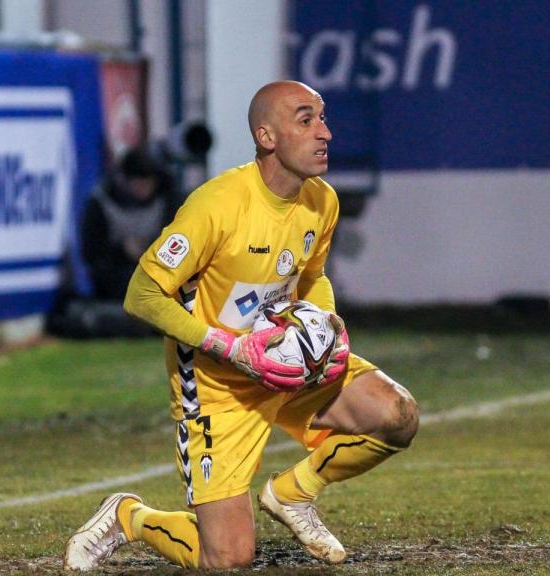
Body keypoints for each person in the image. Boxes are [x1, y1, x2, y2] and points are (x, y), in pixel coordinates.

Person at [63, 80, 419, 570]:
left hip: (289, 363)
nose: (326, 133)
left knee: (396, 415)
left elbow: (311, 277)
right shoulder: (217, 205)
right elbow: (141, 294)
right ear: (267, 136)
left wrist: (329, 328)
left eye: (323, 118)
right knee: (227, 559)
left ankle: (292, 495)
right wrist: (229, 348)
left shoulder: (322, 201)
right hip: (218, 384)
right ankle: (130, 518)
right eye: (306, 120)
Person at [82, 147, 175, 300]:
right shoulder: (101, 203)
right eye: (138, 185)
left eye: (147, 185)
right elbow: (91, 253)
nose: (143, 191)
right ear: (124, 181)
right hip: (117, 276)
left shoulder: (168, 200)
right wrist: (122, 250)